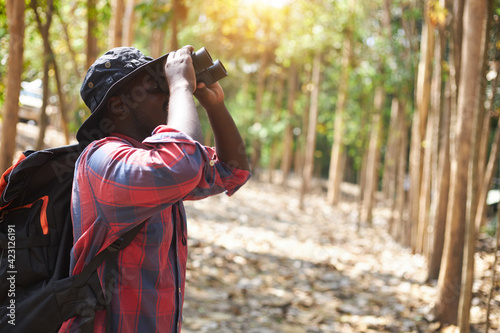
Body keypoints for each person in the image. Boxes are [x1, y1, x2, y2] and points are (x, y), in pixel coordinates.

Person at [59, 45, 251, 333]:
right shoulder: (102, 159)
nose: (167, 95)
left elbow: (231, 172)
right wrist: (181, 86)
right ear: (120, 106)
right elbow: (182, 164)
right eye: (157, 86)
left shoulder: (153, 160)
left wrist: (215, 106)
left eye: (165, 83)